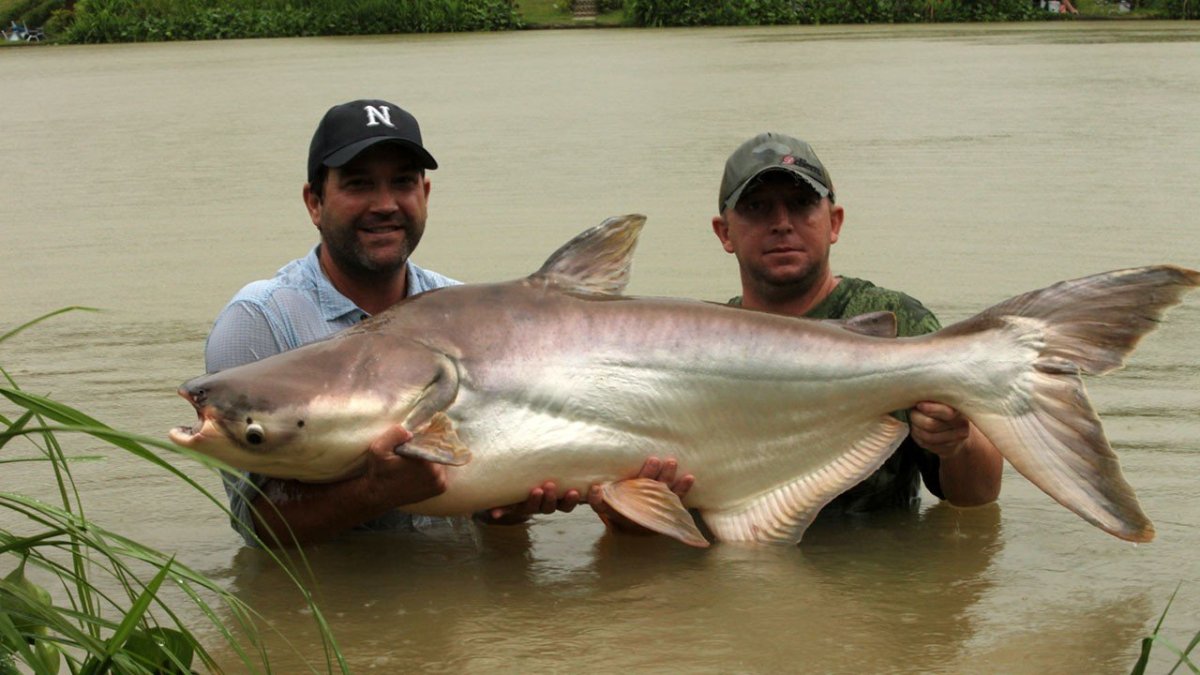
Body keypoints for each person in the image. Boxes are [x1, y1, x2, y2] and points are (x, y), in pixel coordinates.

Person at [206, 99, 613, 546]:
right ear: (314, 202)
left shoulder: (465, 309)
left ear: (425, 194)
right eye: (359, 184)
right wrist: (374, 492)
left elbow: (483, 506)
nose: (385, 204)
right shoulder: (260, 320)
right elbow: (256, 526)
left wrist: (508, 510)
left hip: (459, 601)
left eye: (402, 182)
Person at [709, 132, 1003, 516]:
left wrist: (958, 444)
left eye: (801, 204)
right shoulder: (698, 345)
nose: (781, 223)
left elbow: (978, 497)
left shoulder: (900, 323)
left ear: (834, 222)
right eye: (757, 207)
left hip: (881, 569)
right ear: (724, 232)